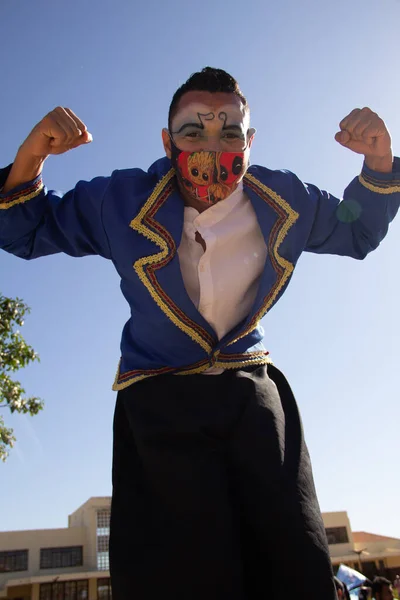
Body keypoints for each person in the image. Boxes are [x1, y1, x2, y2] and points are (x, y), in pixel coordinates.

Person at [1, 67, 399, 600]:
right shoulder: (119, 200)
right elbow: (25, 229)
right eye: (194, 132)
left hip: (254, 396)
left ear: (250, 141)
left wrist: (378, 161)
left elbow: (356, 229)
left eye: (230, 133)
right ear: (167, 143)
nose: (213, 147)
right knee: (177, 572)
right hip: (158, 403)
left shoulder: (287, 199)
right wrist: (32, 156)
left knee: (292, 558)